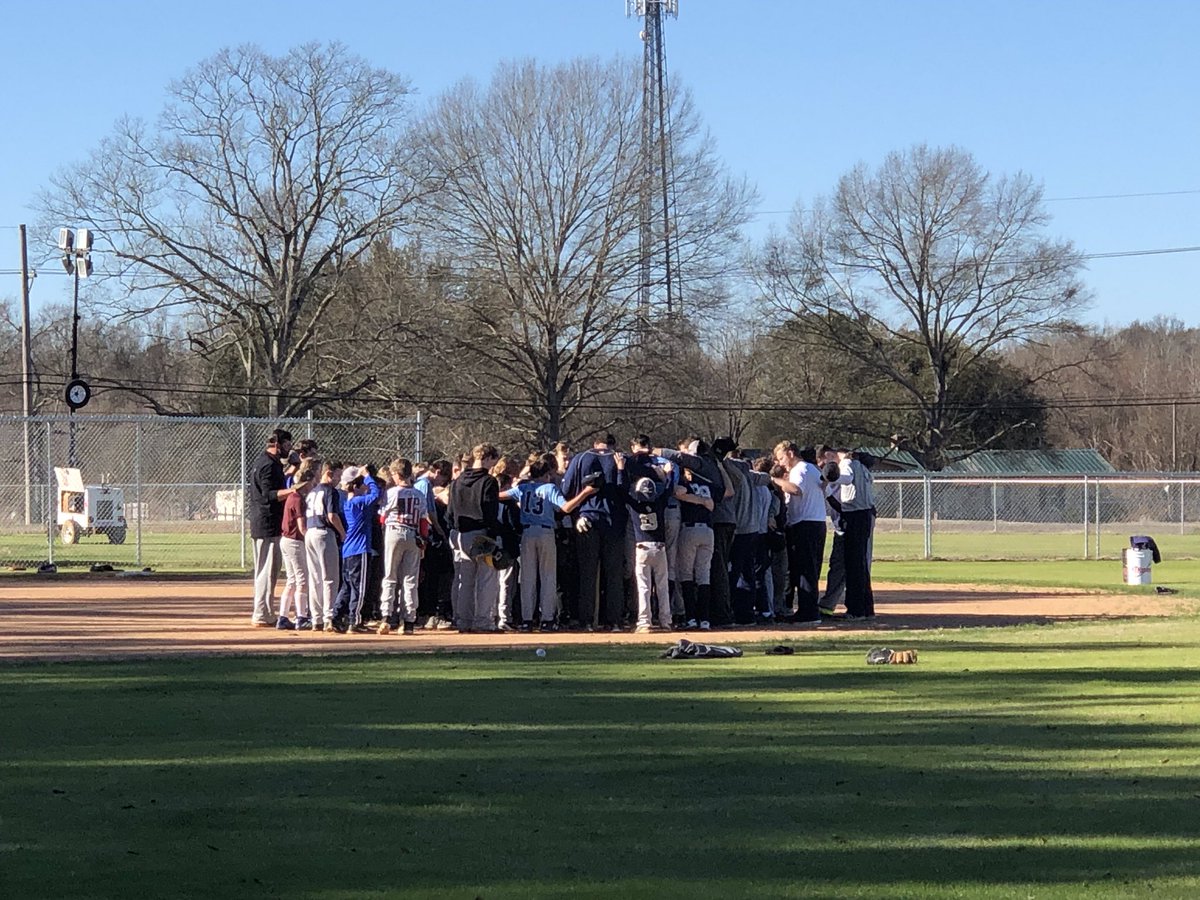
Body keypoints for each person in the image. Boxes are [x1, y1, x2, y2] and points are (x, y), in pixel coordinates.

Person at [501, 453, 596, 631]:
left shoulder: (522, 488)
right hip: (545, 531)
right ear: (546, 474)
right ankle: (547, 619)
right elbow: (566, 508)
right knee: (548, 576)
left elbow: (501, 495)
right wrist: (586, 492)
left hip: (527, 532)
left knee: (527, 578)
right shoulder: (549, 488)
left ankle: (527, 620)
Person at [561, 434, 628, 631]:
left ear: (594, 443)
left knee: (587, 573)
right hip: (614, 521)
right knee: (614, 574)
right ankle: (614, 621)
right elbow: (625, 490)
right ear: (612, 444)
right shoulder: (620, 458)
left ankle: (587, 621)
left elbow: (566, 491)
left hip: (587, 519)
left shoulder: (581, 458)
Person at [449, 443, 502, 632]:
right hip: (482, 533)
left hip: (461, 534)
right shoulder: (488, 481)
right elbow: (490, 510)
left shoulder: (458, 480)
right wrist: (495, 533)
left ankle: (464, 621)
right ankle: (483, 621)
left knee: (466, 579)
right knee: (486, 579)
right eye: (494, 460)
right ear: (488, 458)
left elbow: (450, 511)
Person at [772, 442, 826, 625]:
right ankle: (807, 609)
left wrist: (775, 481)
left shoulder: (800, 469)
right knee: (808, 569)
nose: (781, 463)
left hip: (805, 524)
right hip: (816, 522)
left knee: (805, 570)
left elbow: (795, 489)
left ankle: (809, 612)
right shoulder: (812, 468)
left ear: (790, 453)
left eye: (781, 458)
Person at [378, 458, 434, 635]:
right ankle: (408, 621)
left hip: (394, 531)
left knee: (390, 576)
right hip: (413, 533)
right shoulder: (419, 494)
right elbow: (424, 521)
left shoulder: (392, 492)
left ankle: (386, 617)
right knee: (410, 579)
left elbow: (382, 517)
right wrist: (423, 542)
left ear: (396, 474)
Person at [248, 428, 295, 627]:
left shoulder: (268, 462)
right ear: (276, 444)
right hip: (267, 523)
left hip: (267, 522)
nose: (289, 448)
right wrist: (293, 490)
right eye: (286, 445)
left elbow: (275, 482)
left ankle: (265, 612)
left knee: (269, 571)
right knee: (267, 571)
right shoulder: (267, 465)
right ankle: (262, 614)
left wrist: (290, 471)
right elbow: (268, 494)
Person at [624, 459, 675, 633]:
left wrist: (620, 470)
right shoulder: (659, 503)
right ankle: (666, 621)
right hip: (659, 548)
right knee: (662, 586)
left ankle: (645, 622)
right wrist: (669, 474)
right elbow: (668, 490)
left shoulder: (634, 505)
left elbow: (621, 489)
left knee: (644, 587)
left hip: (642, 548)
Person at [332, 465, 381, 633]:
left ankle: (336, 616)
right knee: (359, 587)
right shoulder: (359, 502)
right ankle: (355, 620)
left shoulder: (347, 502)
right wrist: (368, 477)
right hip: (360, 550)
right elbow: (376, 495)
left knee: (347, 586)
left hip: (348, 550)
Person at [832, 450, 878, 619]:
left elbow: (844, 478)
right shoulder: (864, 469)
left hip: (854, 515)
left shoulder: (847, 464)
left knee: (853, 564)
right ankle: (866, 607)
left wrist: (828, 479)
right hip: (865, 513)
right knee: (861, 564)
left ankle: (856, 609)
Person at [304, 460, 345, 632]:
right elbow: (331, 515)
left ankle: (316, 618)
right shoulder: (330, 491)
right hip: (323, 532)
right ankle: (329, 618)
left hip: (310, 532)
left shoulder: (312, 491)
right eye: (337, 475)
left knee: (315, 578)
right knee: (330, 578)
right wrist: (343, 533)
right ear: (329, 473)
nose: (339, 480)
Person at [674, 465, 715, 630]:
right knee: (703, 575)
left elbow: (677, 493)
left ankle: (691, 618)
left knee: (686, 575)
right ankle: (704, 620)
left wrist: (697, 499)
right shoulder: (709, 485)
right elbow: (712, 503)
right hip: (707, 530)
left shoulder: (686, 484)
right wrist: (703, 501)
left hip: (690, 529)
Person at [276, 462, 313, 631]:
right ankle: (301, 617)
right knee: (302, 580)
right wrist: (311, 540)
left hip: (285, 540)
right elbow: (302, 527)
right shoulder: (298, 499)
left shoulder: (291, 496)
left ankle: (283, 617)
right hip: (295, 542)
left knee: (292, 580)